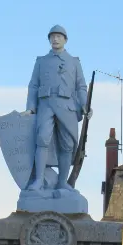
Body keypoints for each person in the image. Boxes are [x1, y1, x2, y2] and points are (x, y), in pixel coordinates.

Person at [25, 25, 92, 191]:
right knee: (42, 139)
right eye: (52, 37)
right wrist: (31, 108)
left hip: (67, 106)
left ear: (65, 40)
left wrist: (85, 104)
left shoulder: (74, 62)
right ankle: (38, 181)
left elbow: (81, 86)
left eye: (59, 36)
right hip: (46, 104)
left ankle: (62, 182)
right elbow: (33, 85)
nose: (55, 39)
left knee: (67, 144)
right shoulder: (41, 61)